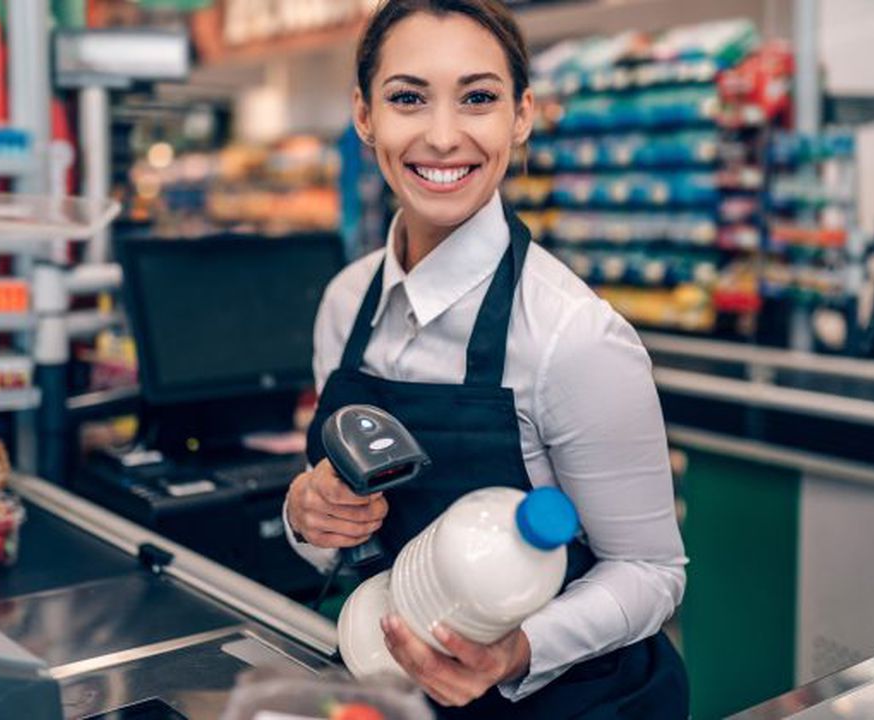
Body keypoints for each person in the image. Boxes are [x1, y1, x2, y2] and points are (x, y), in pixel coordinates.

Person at [283, 1, 688, 717]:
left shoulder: (574, 337)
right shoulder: (346, 301)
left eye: (478, 98)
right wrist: (309, 515)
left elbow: (652, 573)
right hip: (398, 692)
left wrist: (515, 653)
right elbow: (348, 531)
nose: (443, 137)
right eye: (408, 98)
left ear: (521, 115)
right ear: (364, 116)